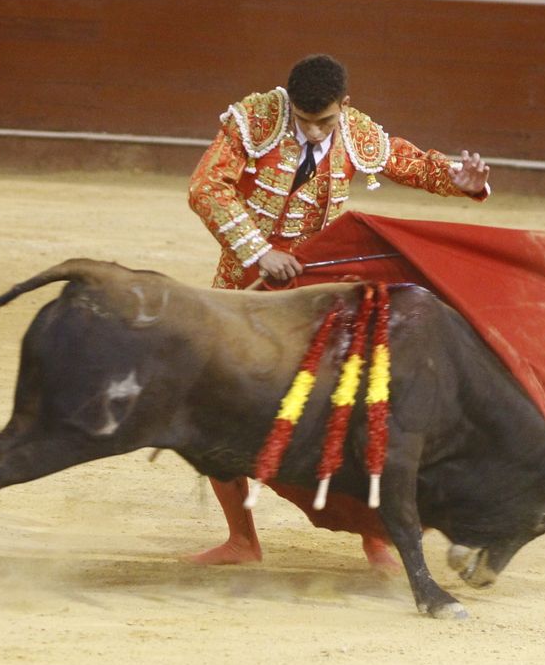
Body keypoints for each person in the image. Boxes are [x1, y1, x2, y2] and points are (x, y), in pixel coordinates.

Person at [185, 53, 491, 568]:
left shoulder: (356, 132)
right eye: (302, 120)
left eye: (323, 121)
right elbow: (206, 188)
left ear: (343, 107)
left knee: (353, 411)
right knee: (218, 407)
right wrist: (260, 251)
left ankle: (376, 536)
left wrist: (459, 180)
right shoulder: (256, 119)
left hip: (320, 294)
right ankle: (242, 540)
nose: (310, 130)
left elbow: (407, 161)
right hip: (247, 289)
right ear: (288, 103)